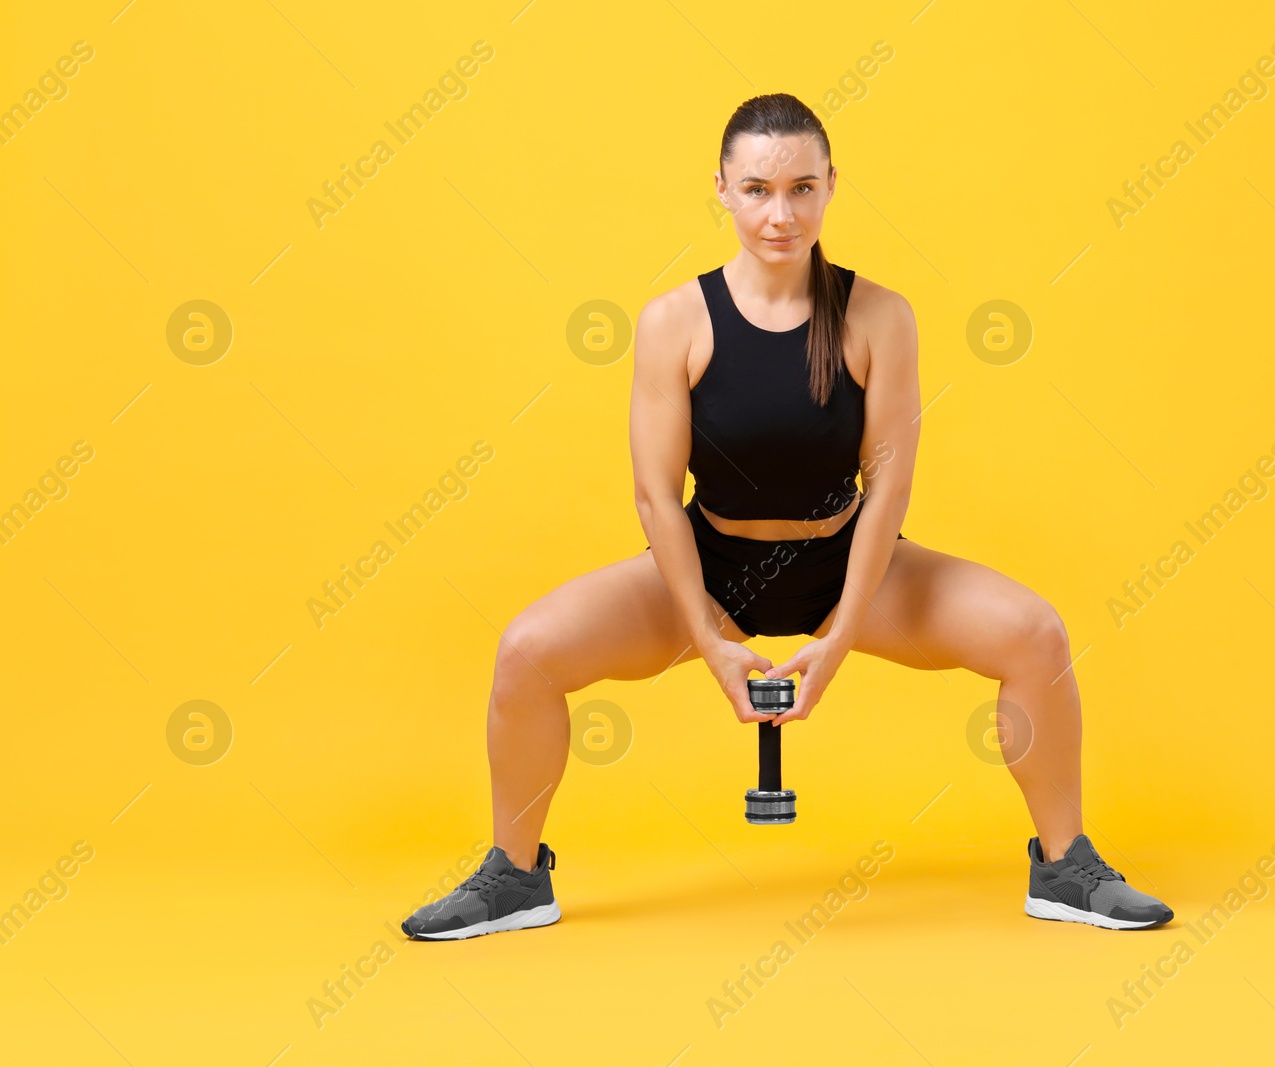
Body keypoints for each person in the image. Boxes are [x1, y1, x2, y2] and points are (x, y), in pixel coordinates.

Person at [400, 93, 1173, 940]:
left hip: (848, 559)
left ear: (832, 186)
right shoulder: (673, 322)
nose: (781, 213)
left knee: (1036, 634)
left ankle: (1065, 866)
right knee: (527, 652)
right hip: (709, 562)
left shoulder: (880, 315)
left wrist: (839, 635)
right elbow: (656, 496)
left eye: (803, 188)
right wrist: (708, 635)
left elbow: (889, 489)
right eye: (759, 189)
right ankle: (514, 876)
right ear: (723, 191)